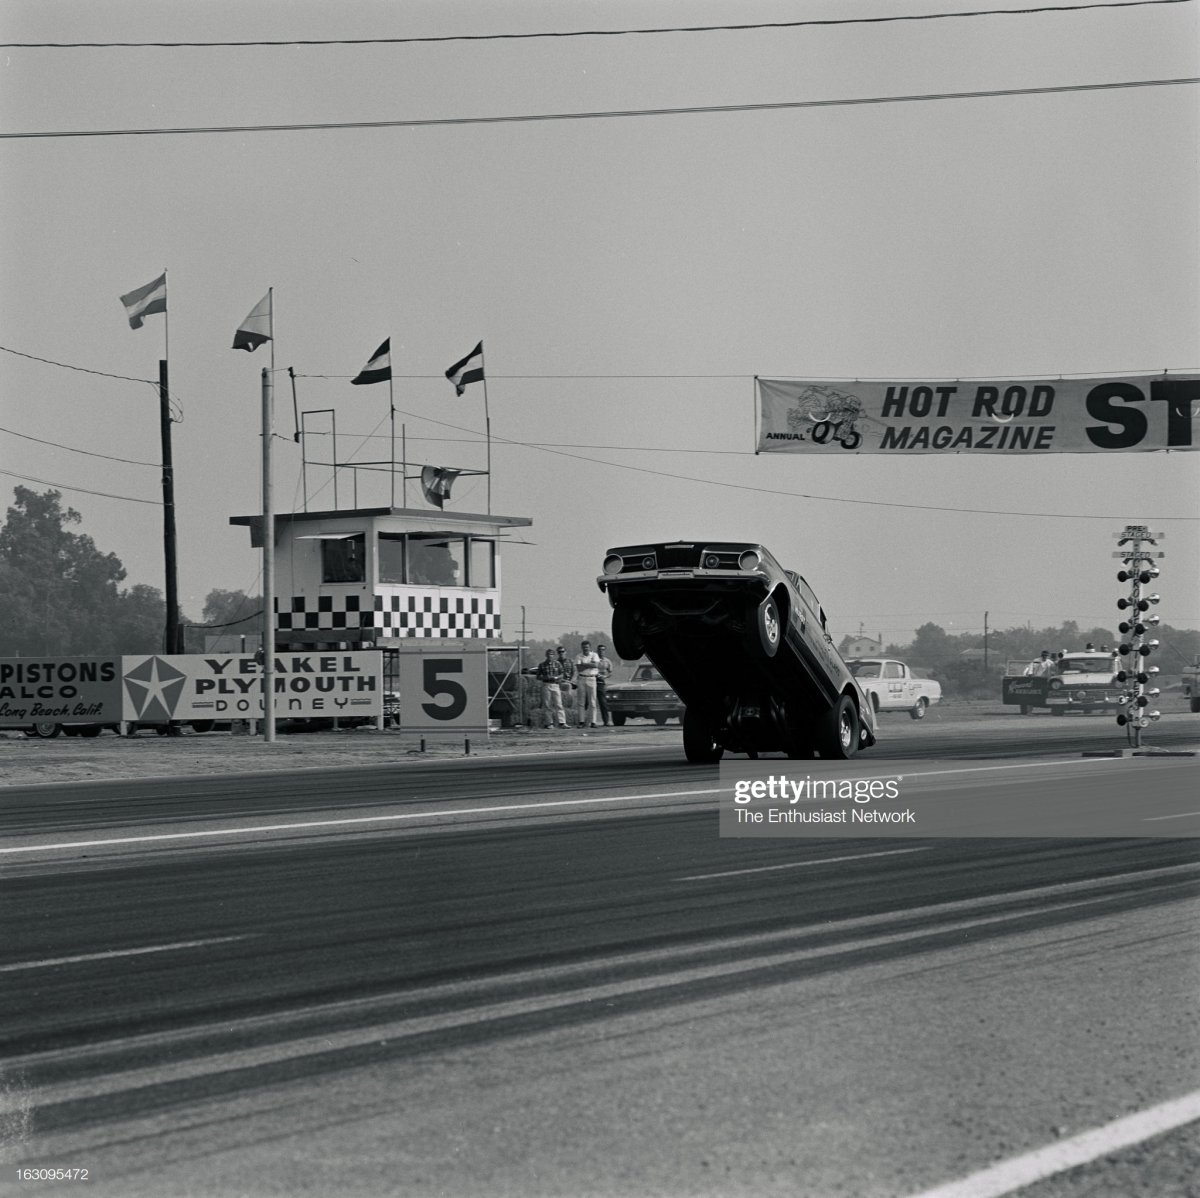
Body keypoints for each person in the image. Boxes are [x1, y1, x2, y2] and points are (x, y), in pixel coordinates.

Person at [535, 648, 567, 728]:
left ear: (554, 655)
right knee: (547, 705)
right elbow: (538, 676)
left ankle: (562, 723)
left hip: (555, 685)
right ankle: (549, 723)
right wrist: (545, 677)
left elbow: (562, 674)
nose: (550, 656)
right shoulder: (542, 665)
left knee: (559, 704)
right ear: (546, 655)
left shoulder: (557, 664)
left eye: (552, 654)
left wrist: (556, 677)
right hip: (546, 685)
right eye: (549, 654)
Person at [574, 639, 602, 727]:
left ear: (590, 647)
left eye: (587, 647)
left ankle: (593, 722)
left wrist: (584, 664)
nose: (585, 649)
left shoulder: (594, 655)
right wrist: (590, 664)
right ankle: (581, 722)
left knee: (592, 701)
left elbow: (596, 665)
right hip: (582, 678)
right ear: (581, 648)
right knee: (581, 701)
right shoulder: (579, 656)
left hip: (591, 678)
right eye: (584, 647)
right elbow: (579, 669)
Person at [595, 643, 615, 726]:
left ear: (604, 651)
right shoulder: (594, 659)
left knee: (603, 703)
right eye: (600, 650)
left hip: (601, 683)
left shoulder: (607, 661)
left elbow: (611, 672)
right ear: (597, 651)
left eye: (603, 650)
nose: (601, 651)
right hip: (593, 681)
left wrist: (605, 676)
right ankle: (587, 721)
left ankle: (606, 721)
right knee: (590, 702)